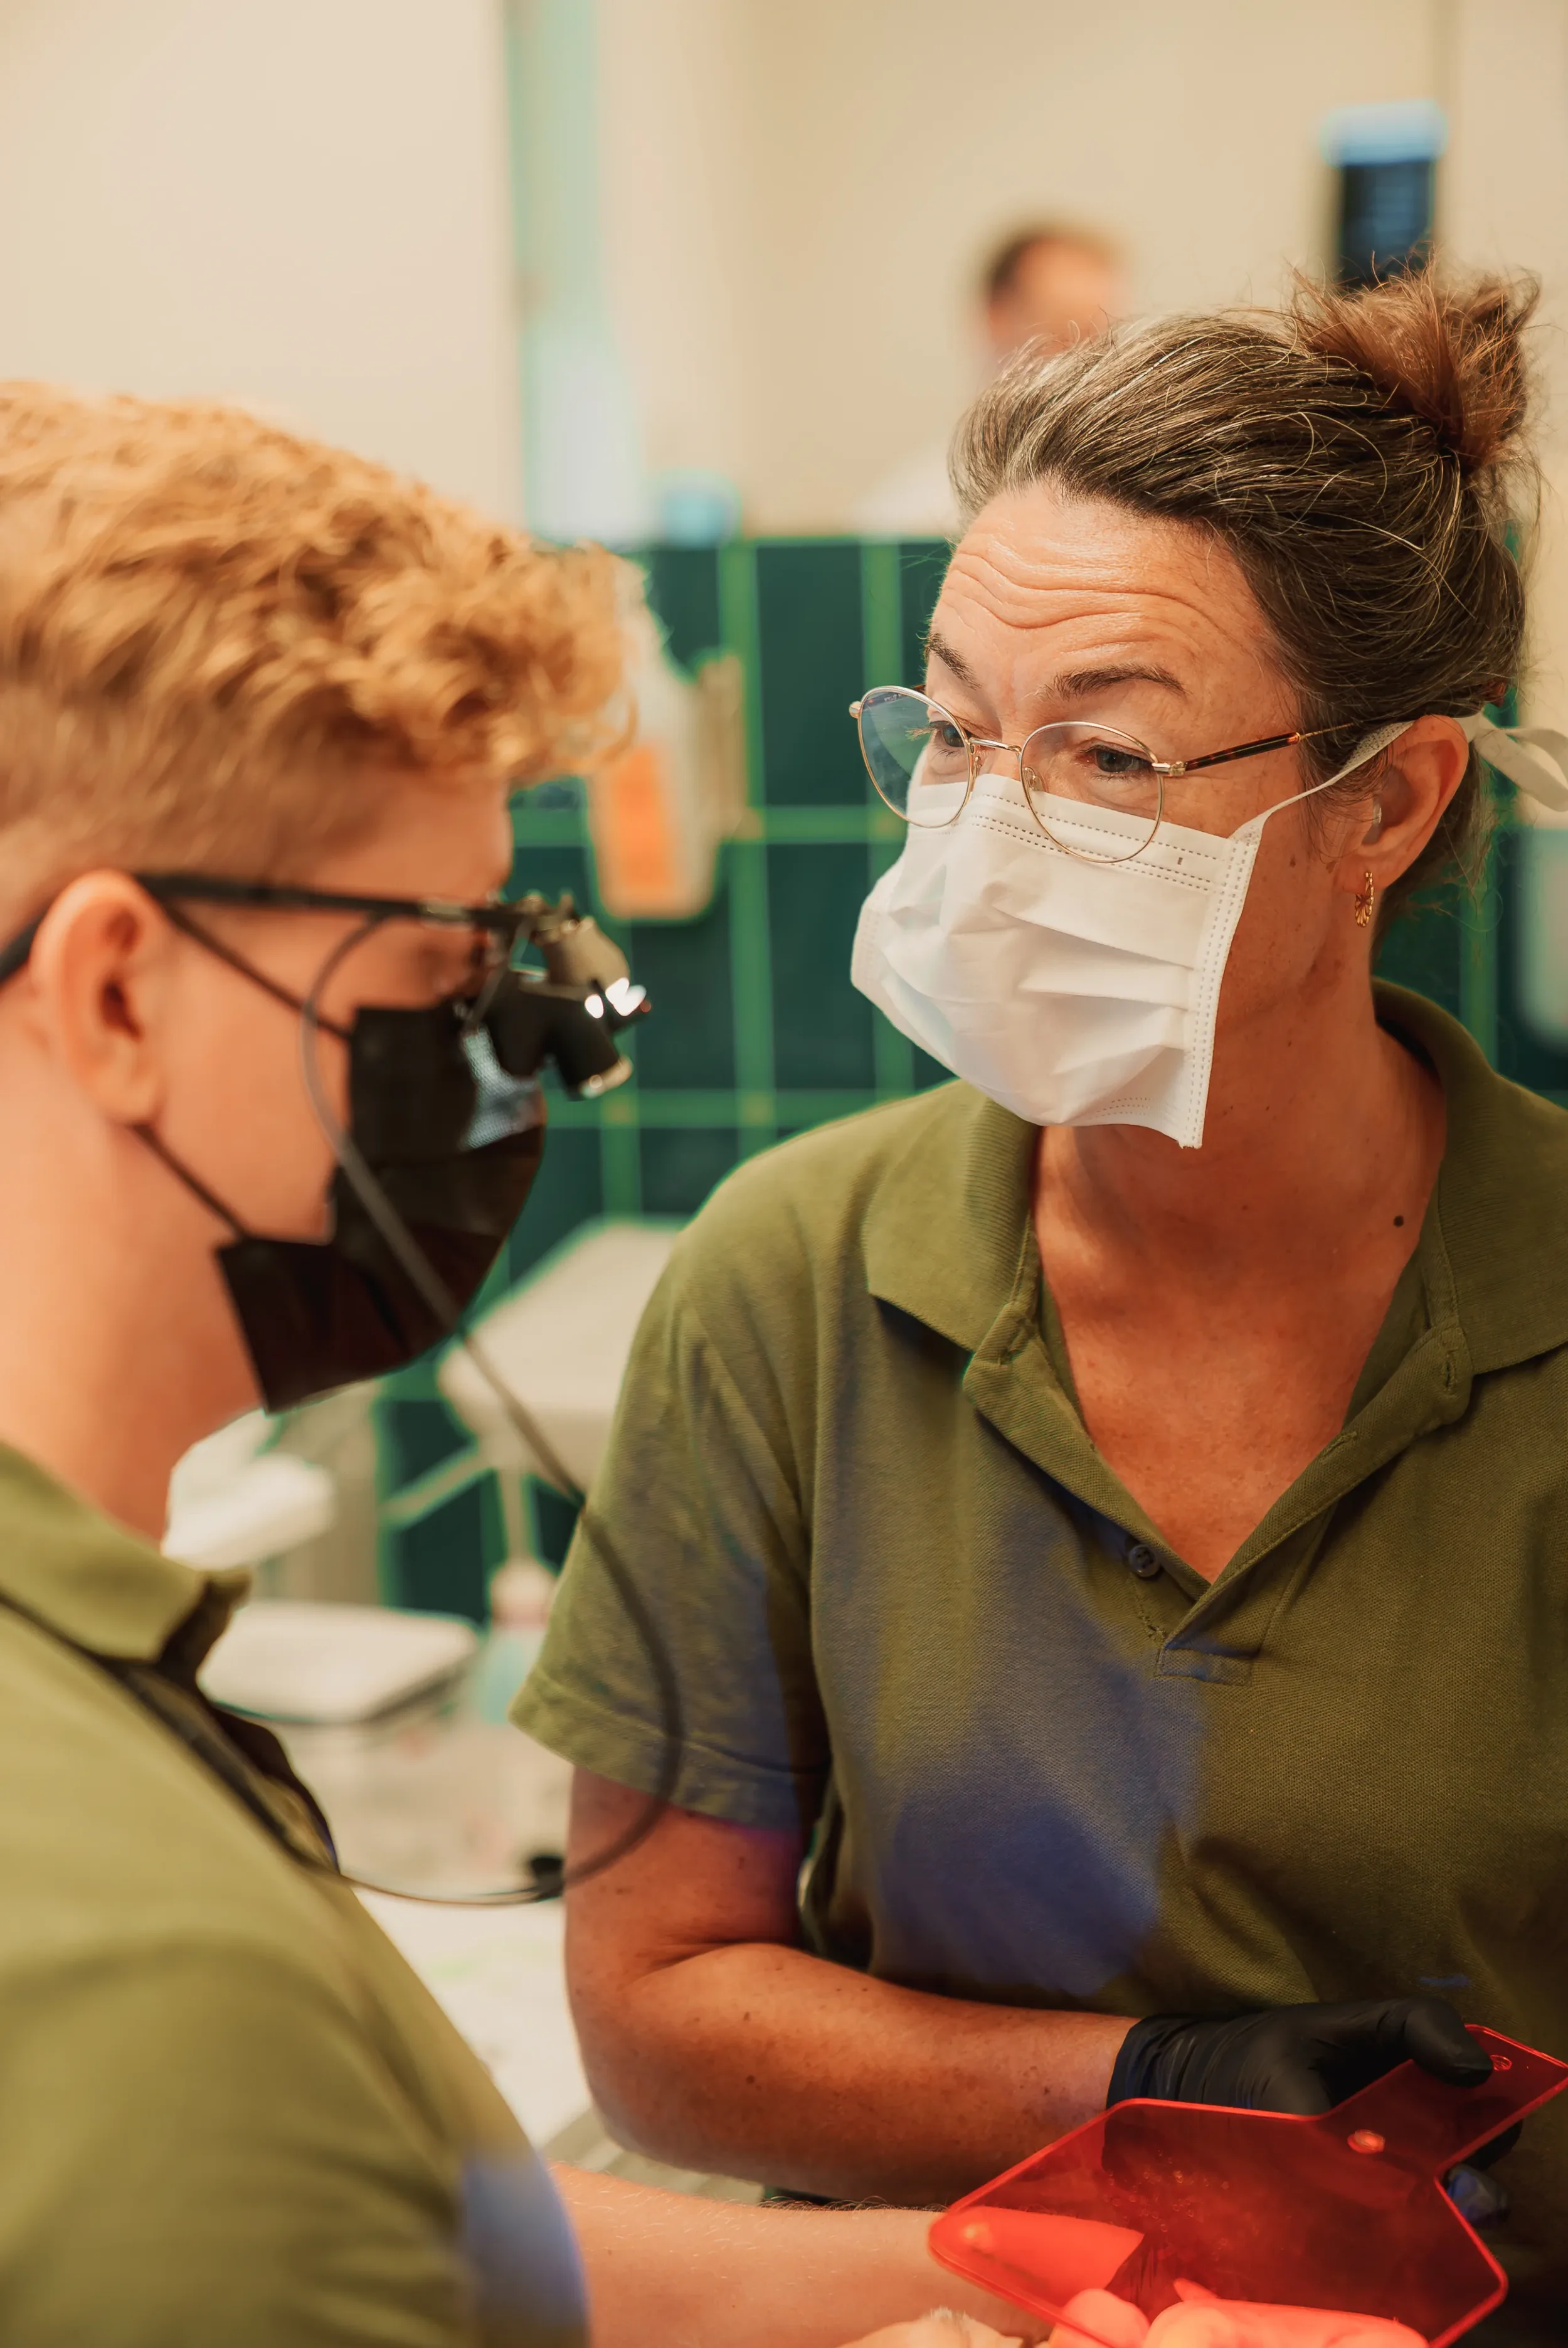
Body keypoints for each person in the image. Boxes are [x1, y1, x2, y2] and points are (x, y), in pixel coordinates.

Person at [517, 270, 1568, 2340]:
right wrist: (1152, 2098)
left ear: (1385, 804)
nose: (992, 827)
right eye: (956, 726)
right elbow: (656, 2012)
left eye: (1108, 748)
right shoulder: (790, 1282)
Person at [0, 381, 1057, 2346]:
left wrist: (1041, 2276)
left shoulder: (104, 1693)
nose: (518, 1053)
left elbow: (435, 2233)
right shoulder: (124, 1956)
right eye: (432, 975)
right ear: (119, 989)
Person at [852, 222, 1125, 538]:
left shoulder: (1127, 505)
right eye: (1063, 333)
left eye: (1103, 340)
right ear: (994, 317)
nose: (1086, 363)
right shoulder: (903, 520)